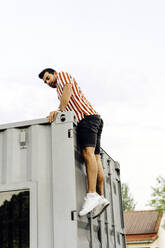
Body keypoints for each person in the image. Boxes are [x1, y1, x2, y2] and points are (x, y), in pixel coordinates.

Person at [38, 68, 110, 218]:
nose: (47, 82)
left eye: (48, 77)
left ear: (55, 74)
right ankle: (100, 196)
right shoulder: (59, 89)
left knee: (87, 153)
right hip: (94, 118)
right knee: (95, 158)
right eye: (45, 81)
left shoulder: (63, 76)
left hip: (86, 118)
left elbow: (68, 89)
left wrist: (60, 110)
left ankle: (91, 196)